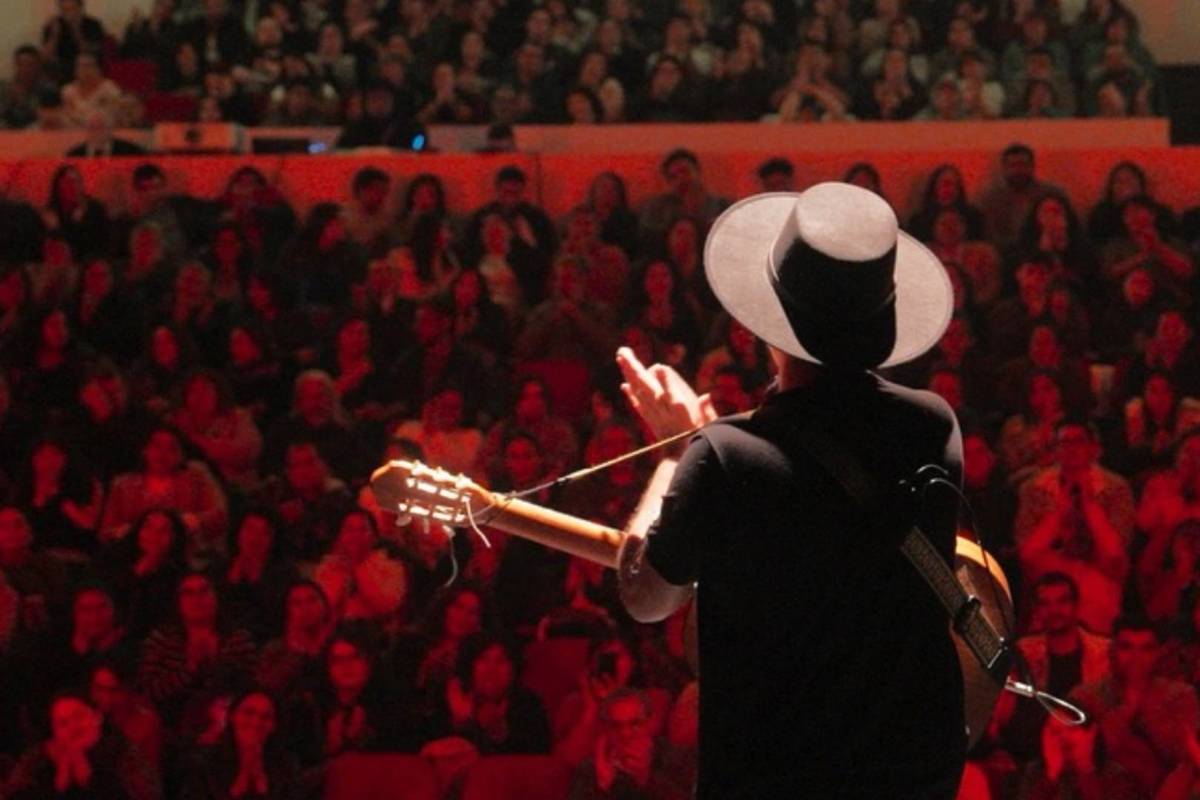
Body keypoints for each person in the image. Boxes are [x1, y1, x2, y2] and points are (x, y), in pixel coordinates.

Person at [615, 182, 966, 797]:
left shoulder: (726, 458)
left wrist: (676, 453)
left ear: (766, 330)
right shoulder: (932, 426)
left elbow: (647, 595)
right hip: (910, 781)